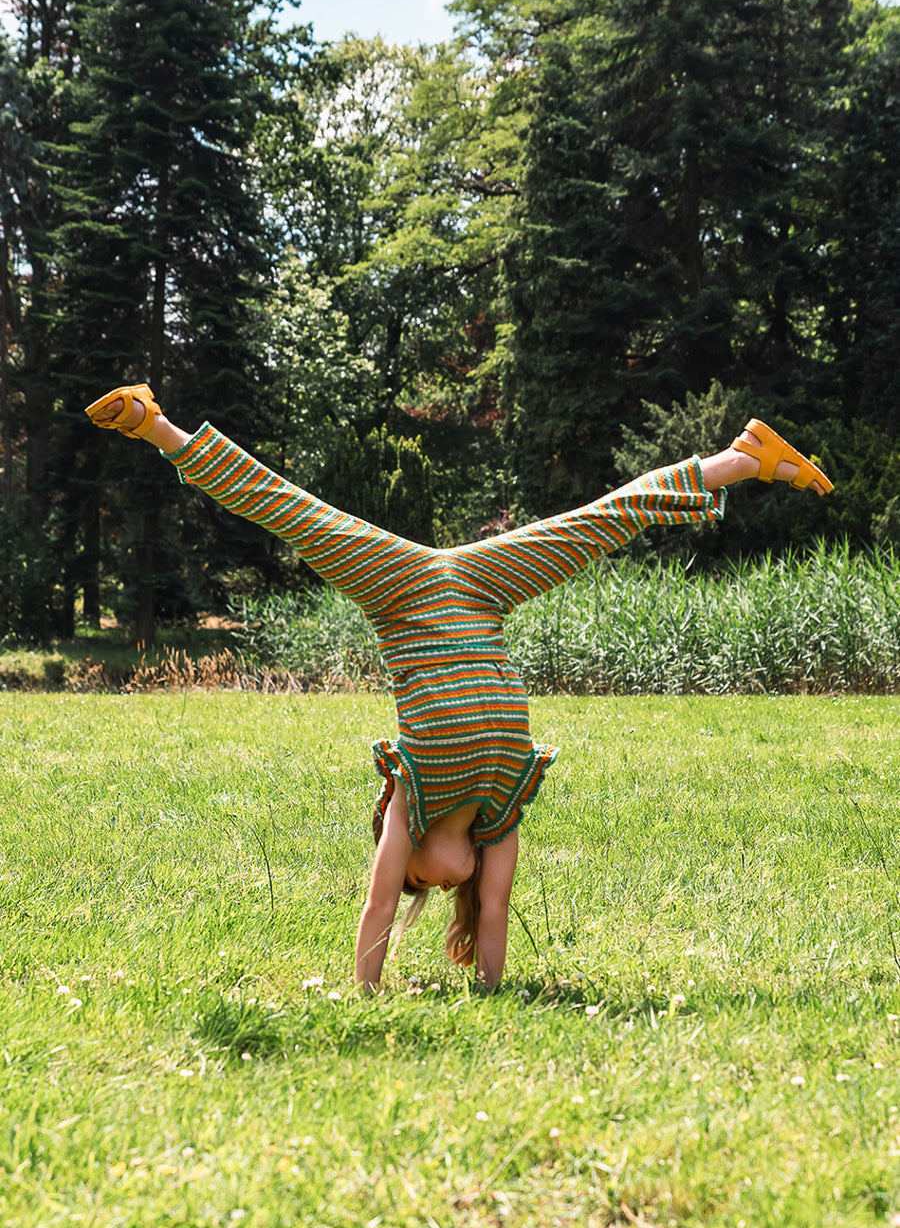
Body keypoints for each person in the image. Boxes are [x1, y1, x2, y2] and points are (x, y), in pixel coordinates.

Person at [85, 384, 833, 991]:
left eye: (418, 883)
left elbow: (378, 904)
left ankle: (158, 426)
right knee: (601, 520)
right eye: (442, 891)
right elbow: (497, 914)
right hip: (478, 588)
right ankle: (742, 460)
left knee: (293, 511)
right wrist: (491, 990)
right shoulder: (500, 806)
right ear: (469, 872)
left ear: (399, 850)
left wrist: (366, 994)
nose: (429, 885)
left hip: (405, 590)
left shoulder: (409, 797)